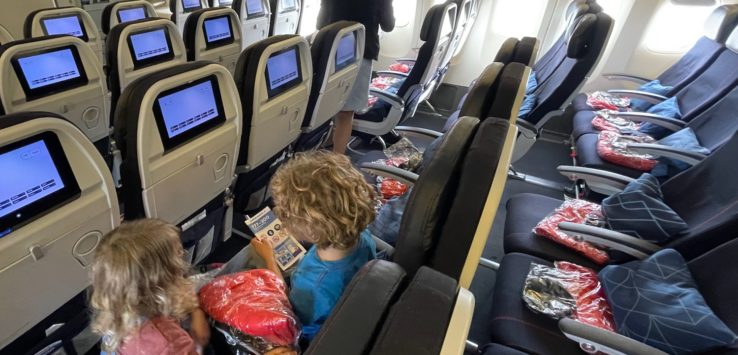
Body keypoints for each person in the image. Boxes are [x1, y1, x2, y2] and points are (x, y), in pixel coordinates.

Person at [252, 151, 378, 340]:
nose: (280, 216)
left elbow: (288, 309)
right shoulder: (361, 235)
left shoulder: (312, 285)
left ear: (312, 229)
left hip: (307, 333)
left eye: (286, 214)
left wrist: (269, 258)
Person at [89, 219, 210, 355]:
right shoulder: (170, 342)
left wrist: (194, 311)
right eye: (177, 261)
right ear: (161, 285)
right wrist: (198, 342)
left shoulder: (116, 313)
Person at [317, 0, 396, 154]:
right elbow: (388, 25)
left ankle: (327, 143)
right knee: (346, 112)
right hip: (361, 51)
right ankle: (337, 159)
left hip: (332, 50)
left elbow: (320, 24)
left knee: (328, 104)